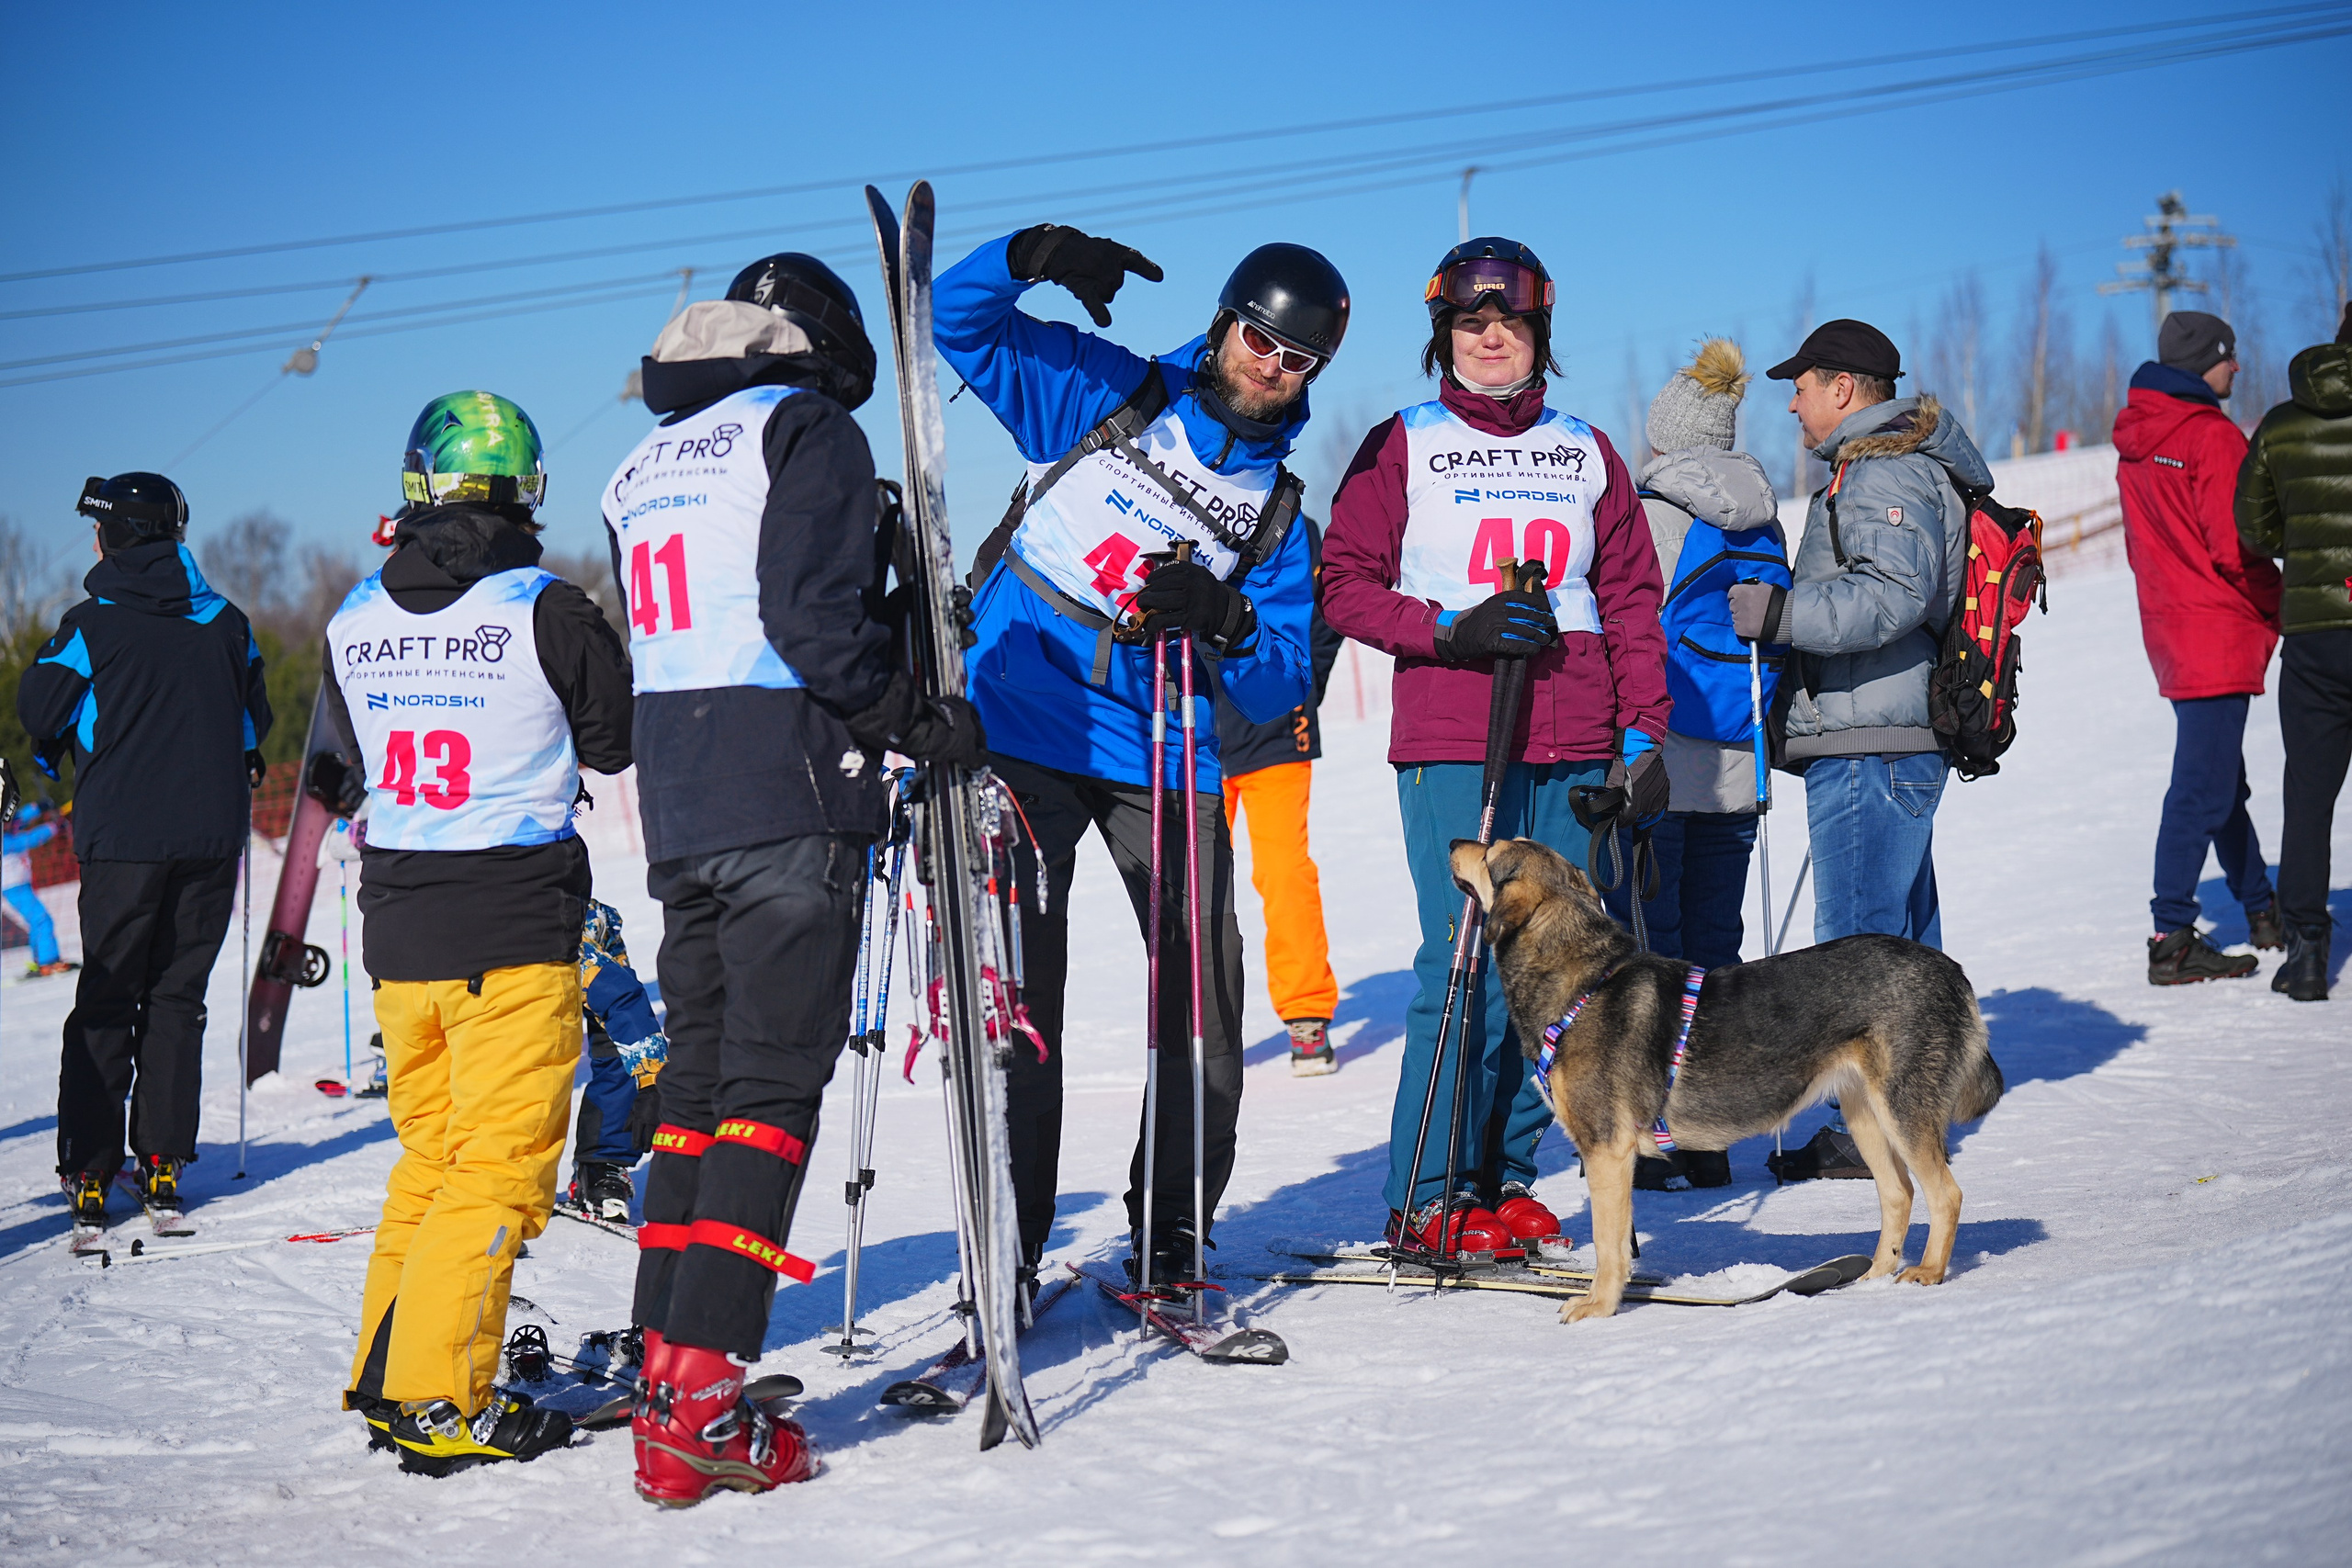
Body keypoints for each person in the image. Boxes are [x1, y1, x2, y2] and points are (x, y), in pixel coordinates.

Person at [605, 254, 982, 1504]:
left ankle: (664, 1357)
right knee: (768, 1091)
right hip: (786, 786)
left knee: (697, 1088)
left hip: (680, 797)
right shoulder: (803, 428)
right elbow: (812, 625)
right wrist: (916, 716)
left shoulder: (645, 457)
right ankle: (701, 1401)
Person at [934, 222, 1340, 1285]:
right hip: (1017, 719)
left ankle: (1170, 1232)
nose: (1271, 366)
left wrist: (1229, 620)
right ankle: (1010, 1244)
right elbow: (954, 323)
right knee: (1021, 998)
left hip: (1158, 748)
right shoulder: (1107, 392)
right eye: (1259, 339)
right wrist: (1027, 256)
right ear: (1225, 325)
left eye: (1297, 359)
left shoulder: (1277, 516)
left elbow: (1279, 681)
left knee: (1201, 1001)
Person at [1322, 237, 1670, 1250]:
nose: (1489, 338)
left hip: (1575, 735)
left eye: (1508, 322)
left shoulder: (1586, 449)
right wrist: (1447, 629)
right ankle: (1428, 1191)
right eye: (1469, 323)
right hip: (1455, 733)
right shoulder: (1405, 442)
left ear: (1539, 335)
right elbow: (1342, 583)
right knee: (1464, 962)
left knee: (1564, 970)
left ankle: (1505, 1175)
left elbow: (1631, 598)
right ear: (1443, 336)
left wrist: (1643, 735)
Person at [325, 390, 634, 1476]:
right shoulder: (547, 607)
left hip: (401, 936)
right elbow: (613, 742)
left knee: (433, 1163)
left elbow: (340, 768)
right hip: (511, 930)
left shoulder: (353, 615)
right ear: (524, 489)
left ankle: (391, 1371)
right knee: (496, 1176)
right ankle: (436, 1398)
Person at [1734, 320, 1991, 1181]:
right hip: (1884, 736)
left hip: (1870, 745)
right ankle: (1915, 1109)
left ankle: (1867, 1134)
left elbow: (1893, 595)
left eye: (1801, 386)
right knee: (1902, 950)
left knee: (1858, 958)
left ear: (1843, 388)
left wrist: (1781, 615)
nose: (1793, 405)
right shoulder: (1884, 466)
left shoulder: (1884, 470)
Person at [17, 472, 271, 1229]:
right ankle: (162, 1161)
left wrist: (61, 749)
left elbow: (39, 706)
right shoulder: (229, 623)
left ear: (113, 537)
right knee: (176, 997)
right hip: (209, 839)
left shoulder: (92, 623)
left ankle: (90, 1169)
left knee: (106, 996)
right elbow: (253, 726)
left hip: (123, 840)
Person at [1600, 339, 1788, 1190]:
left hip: (1664, 757)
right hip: (1740, 761)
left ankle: (1655, 1131)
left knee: (1653, 949)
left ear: (1663, 436)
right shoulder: (1762, 517)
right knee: (1718, 949)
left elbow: (1625, 635)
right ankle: (1712, 1138)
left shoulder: (1652, 516)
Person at [2110, 310, 2285, 986]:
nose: (2236, 366)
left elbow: (2144, 550)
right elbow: (2238, 547)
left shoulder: (2137, 439)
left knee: (2220, 781)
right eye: (2228, 355)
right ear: (2203, 361)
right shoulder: (2211, 436)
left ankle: (2261, 907)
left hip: (2172, 630)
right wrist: (2282, 604)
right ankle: (2172, 935)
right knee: (2200, 788)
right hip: (2217, 630)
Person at [2237, 299, 2352, 1002]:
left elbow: (2254, 529)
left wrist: (2305, 548)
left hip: (2314, 634)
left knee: (2309, 795)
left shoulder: (2281, 424)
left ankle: (2307, 952)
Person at [1214, 517, 1345, 1075]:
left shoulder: (1291, 523)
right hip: (1191, 737)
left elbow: (1327, 612)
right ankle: (1201, 1025)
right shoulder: (1167, 506)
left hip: (1274, 735)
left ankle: (1306, 1013)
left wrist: (1301, 685)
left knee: (1284, 873)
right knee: (1192, 884)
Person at [564, 897, 667, 1221]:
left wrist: (652, 1081)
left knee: (621, 1046)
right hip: (458, 967)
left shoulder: (567, 947)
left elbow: (624, 1004)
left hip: (575, 930)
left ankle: (601, 1163)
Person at [4, 799, 74, 977]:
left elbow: (20, 818)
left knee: (37, 921)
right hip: (13, 888)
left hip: (21, 885)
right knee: (42, 919)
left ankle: (41, 960)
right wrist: (53, 827)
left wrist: (39, 807)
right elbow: (27, 840)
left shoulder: (8, 825)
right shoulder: (4, 840)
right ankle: (48, 961)